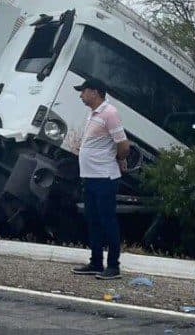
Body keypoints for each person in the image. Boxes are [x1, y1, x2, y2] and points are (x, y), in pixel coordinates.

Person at [70, 78, 130, 280]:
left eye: (83, 91)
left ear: (95, 92)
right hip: (90, 176)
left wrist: (120, 159)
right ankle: (96, 262)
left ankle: (113, 266)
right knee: (93, 220)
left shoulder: (109, 113)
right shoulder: (93, 114)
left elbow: (123, 145)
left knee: (107, 221)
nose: (81, 95)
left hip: (105, 177)